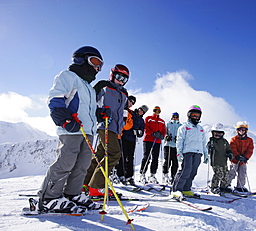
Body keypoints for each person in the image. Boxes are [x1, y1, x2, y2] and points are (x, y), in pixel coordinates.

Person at [38, 46, 104, 213]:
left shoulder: (89, 87)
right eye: (95, 62)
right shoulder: (68, 76)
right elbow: (55, 98)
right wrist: (65, 120)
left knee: (82, 165)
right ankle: (49, 198)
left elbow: (89, 110)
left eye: (100, 65)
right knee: (65, 162)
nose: (97, 68)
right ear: (81, 59)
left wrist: (100, 112)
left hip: (87, 131)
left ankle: (72, 194)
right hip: (72, 128)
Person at [83, 64, 129, 197]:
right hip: (105, 125)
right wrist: (99, 112)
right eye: (119, 77)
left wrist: (122, 125)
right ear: (112, 75)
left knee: (100, 155)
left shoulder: (124, 93)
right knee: (114, 153)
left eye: (124, 79)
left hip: (115, 128)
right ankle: (96, 186)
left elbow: (122, 112)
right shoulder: (103, 86)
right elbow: (90, 101)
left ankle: (85, 183)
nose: (121, 81)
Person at [171, 105, 209, 200]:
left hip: (198, 152)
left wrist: (205, 154)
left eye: (197, 115)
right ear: (189, 115)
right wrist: (179, 153)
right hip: (187, 152)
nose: (195, 117)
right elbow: (179, 141)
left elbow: (204, 142)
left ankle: (186, 189)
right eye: (193, 115)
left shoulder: (201, 129)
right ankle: (176, 190)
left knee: (193, 172)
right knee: (185, 171)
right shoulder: (184, 127)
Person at [139, 106, 166, 184]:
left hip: (157, 141)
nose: (157, 112)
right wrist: (152, 133)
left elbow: (164, 130)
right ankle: (142, 174)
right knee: (146, 157)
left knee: (155, 158)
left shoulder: (162, 121)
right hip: (148, 139)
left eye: (158, 111)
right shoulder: (149, 118)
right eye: (155, 110)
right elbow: (146, 128)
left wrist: (162, 136)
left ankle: (152, 175)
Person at [206, 123, 233, 194]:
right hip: (215, 161)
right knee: (218, 174)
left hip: (223, 161)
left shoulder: (224, 142)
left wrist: (229, 153)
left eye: (219, 134)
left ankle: (223, 187)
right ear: (212, 133)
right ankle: (214, 187)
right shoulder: (211, 142)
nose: (217, 136)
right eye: (216, 134)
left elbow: (228, 149)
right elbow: (207, 148)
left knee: (226, 174)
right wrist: (209, 149)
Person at [228, 121, 254, 192]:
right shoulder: (234, 139)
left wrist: (246, 157)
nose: (241, 131)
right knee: (232, 172)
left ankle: (240, 186)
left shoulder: (249, 140)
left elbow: (250, 150)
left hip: (243, 160)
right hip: (235, 159)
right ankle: (227, 185)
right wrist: (237, 156)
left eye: (243, 130)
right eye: (240, 130)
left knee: (242, 173)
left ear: (246, 131)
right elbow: (232, 148)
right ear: (237, 131)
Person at [162, 112, 182, 184]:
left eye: (176, 117)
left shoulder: (180, 125)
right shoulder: (168, 124)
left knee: (175, 162)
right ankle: (165, 175)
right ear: (172, 117)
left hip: (176, 146)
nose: (175, 118)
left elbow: (182, 134)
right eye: (174, 116)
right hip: (168, 145)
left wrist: (178, 138)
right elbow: (164, 131)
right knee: (167, 160)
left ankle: (173, 177)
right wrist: (166, 136)